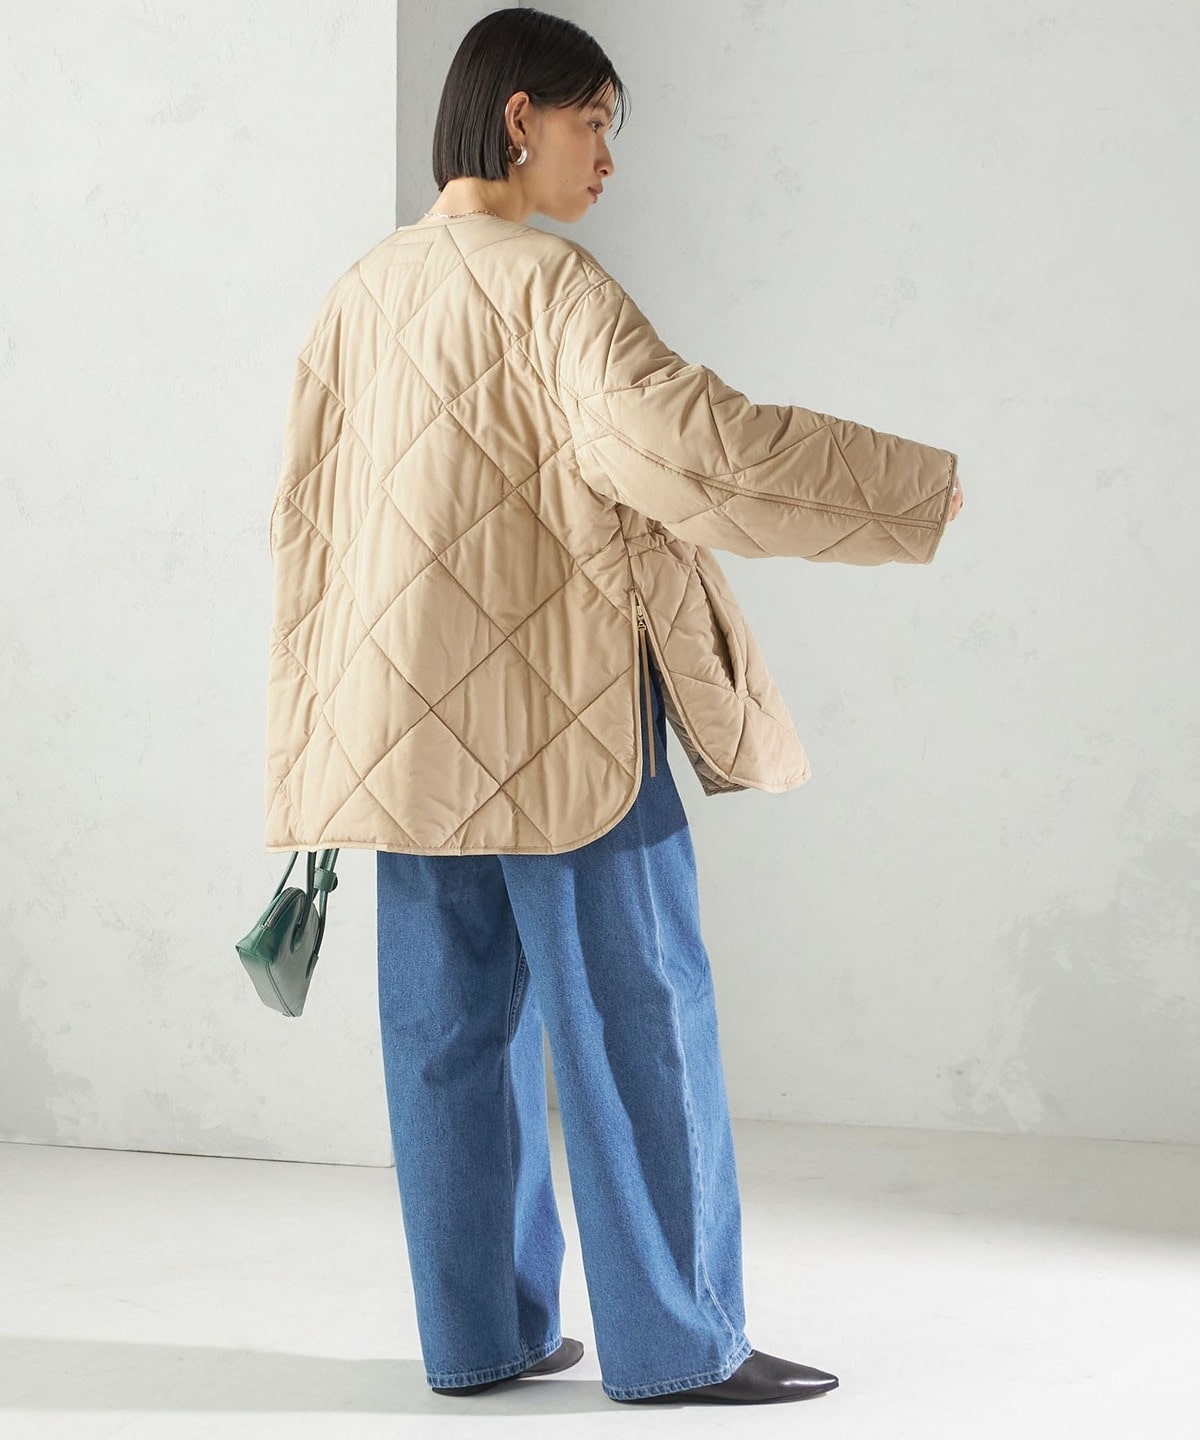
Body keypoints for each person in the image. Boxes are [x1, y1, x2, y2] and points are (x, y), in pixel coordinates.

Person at [264, 4, 963, 1407]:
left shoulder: (358, 292)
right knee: (638, 1020)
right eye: (595, 122)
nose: (608, 157)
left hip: (399, 742)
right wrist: (913, 489)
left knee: (448, 1040)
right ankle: (682, 1345)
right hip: (564, 722)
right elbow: (695, 450)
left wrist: (318, 738)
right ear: (519, 117)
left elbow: (311, 530)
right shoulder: (552, 288)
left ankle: (481, 1338)